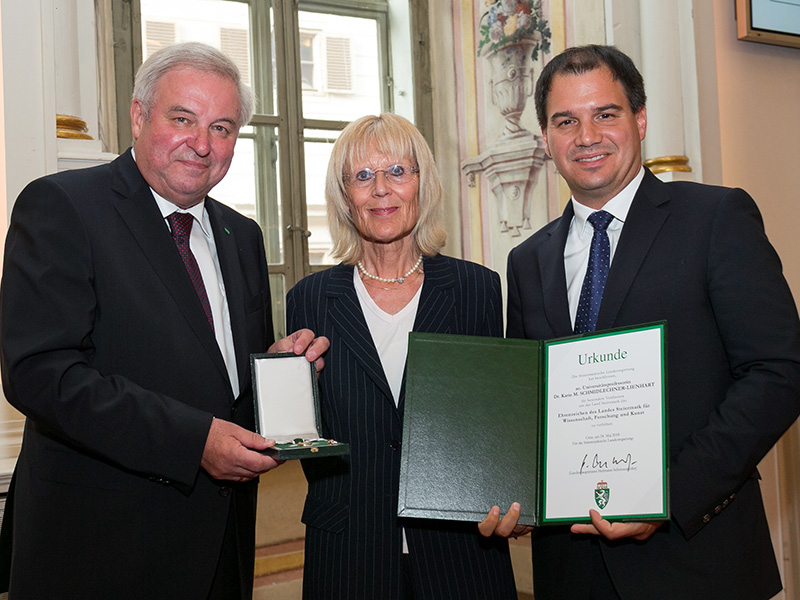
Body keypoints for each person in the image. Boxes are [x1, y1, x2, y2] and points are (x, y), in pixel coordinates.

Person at [0, 42, 328, 599]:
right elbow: (41, 374)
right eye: (183, 119)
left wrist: (276, 375)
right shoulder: (62, 205)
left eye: (222, 128)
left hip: (219, 547)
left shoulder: (240, 236)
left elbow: (218, 381)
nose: (201, 145)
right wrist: (192, 440)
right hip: (98, 551)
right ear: (138, 115)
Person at [480, 44, 800, 599]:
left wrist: (671, 496)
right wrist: (512, 494)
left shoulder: (715, 218)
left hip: (699, 563)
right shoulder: (526, 260)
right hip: (570, 572)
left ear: (640, 118)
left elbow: (779, 372)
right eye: (565, 121)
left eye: (605, 113)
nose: (586, 135)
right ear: (547, 136)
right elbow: (529, 408)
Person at [286, 113, 517, 599]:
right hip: (348, 547)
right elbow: (303, 438)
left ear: (422, 183)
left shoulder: (477, 289)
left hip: (460, 548)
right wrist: (283, 386)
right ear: (345, 196)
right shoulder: (309, 298)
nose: (381, 190)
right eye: (363, 176)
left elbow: (494, 421)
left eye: (397, 172)